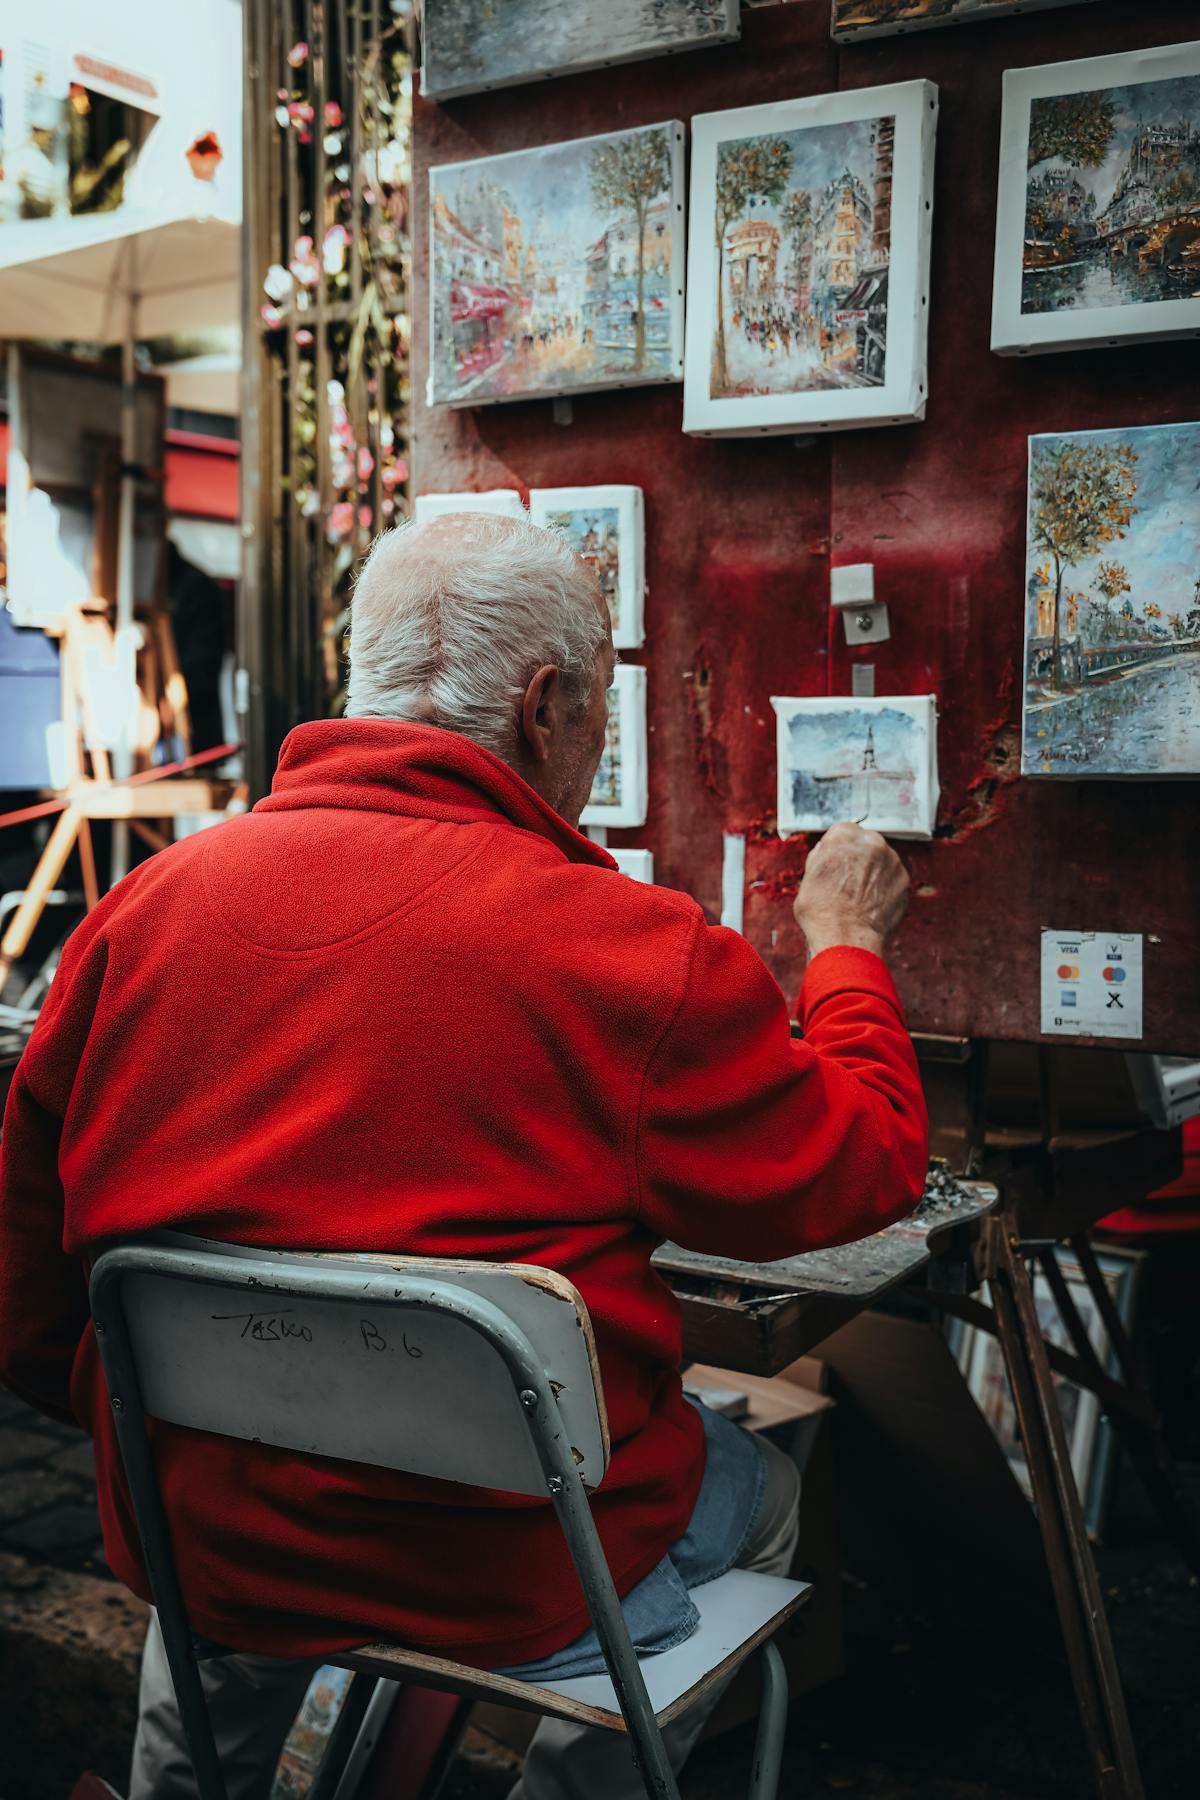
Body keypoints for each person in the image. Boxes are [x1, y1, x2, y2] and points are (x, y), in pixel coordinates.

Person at [0, 514, 926, 1799]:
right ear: (547, 709)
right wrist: (845, 941)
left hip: (215, 1543)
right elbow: (868, 1164)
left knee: (216, 1554)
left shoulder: (138, 914)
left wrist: (226, 1448)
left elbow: (37, 1301)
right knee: (767, 1483)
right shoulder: (633, 954)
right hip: (512, 1575)